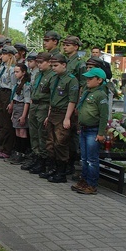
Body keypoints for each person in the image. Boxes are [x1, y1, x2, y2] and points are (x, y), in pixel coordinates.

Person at [42, 53, 79, 184]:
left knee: (61, 143)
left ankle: (61, 172)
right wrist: (48, 115)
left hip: (63, 113)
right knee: (50, 142)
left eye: (56, 65)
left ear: (64, 65)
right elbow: (52, 98)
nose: (53, 68)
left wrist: (67, 118)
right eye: (52, 65)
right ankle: (52, 168)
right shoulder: (54, 78)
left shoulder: (71, 79)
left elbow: (72, 100)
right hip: (53, 112)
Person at [72, 67, 109, 195]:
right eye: (87, 78)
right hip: (84, 129)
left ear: (99, 80)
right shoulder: (88, 92)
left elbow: (104, 115)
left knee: (91, 159)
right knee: (84, 157)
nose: (87, 80)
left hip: (93, 130)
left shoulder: (100, 95)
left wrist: (101, 133)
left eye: (90, 78)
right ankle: (84, 181)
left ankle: (91, 184)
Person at [7, 62, 31, 165]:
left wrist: (24, 116)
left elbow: (27, 101)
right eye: (14, 72)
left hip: (22, 107)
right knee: (17, 130)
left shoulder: (26, 84)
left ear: (24, 72)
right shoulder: (18, 83)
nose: (15, 74)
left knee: (22, 131)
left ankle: (22, 152)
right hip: (17, 106)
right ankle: (17, 152)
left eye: (17, 72)